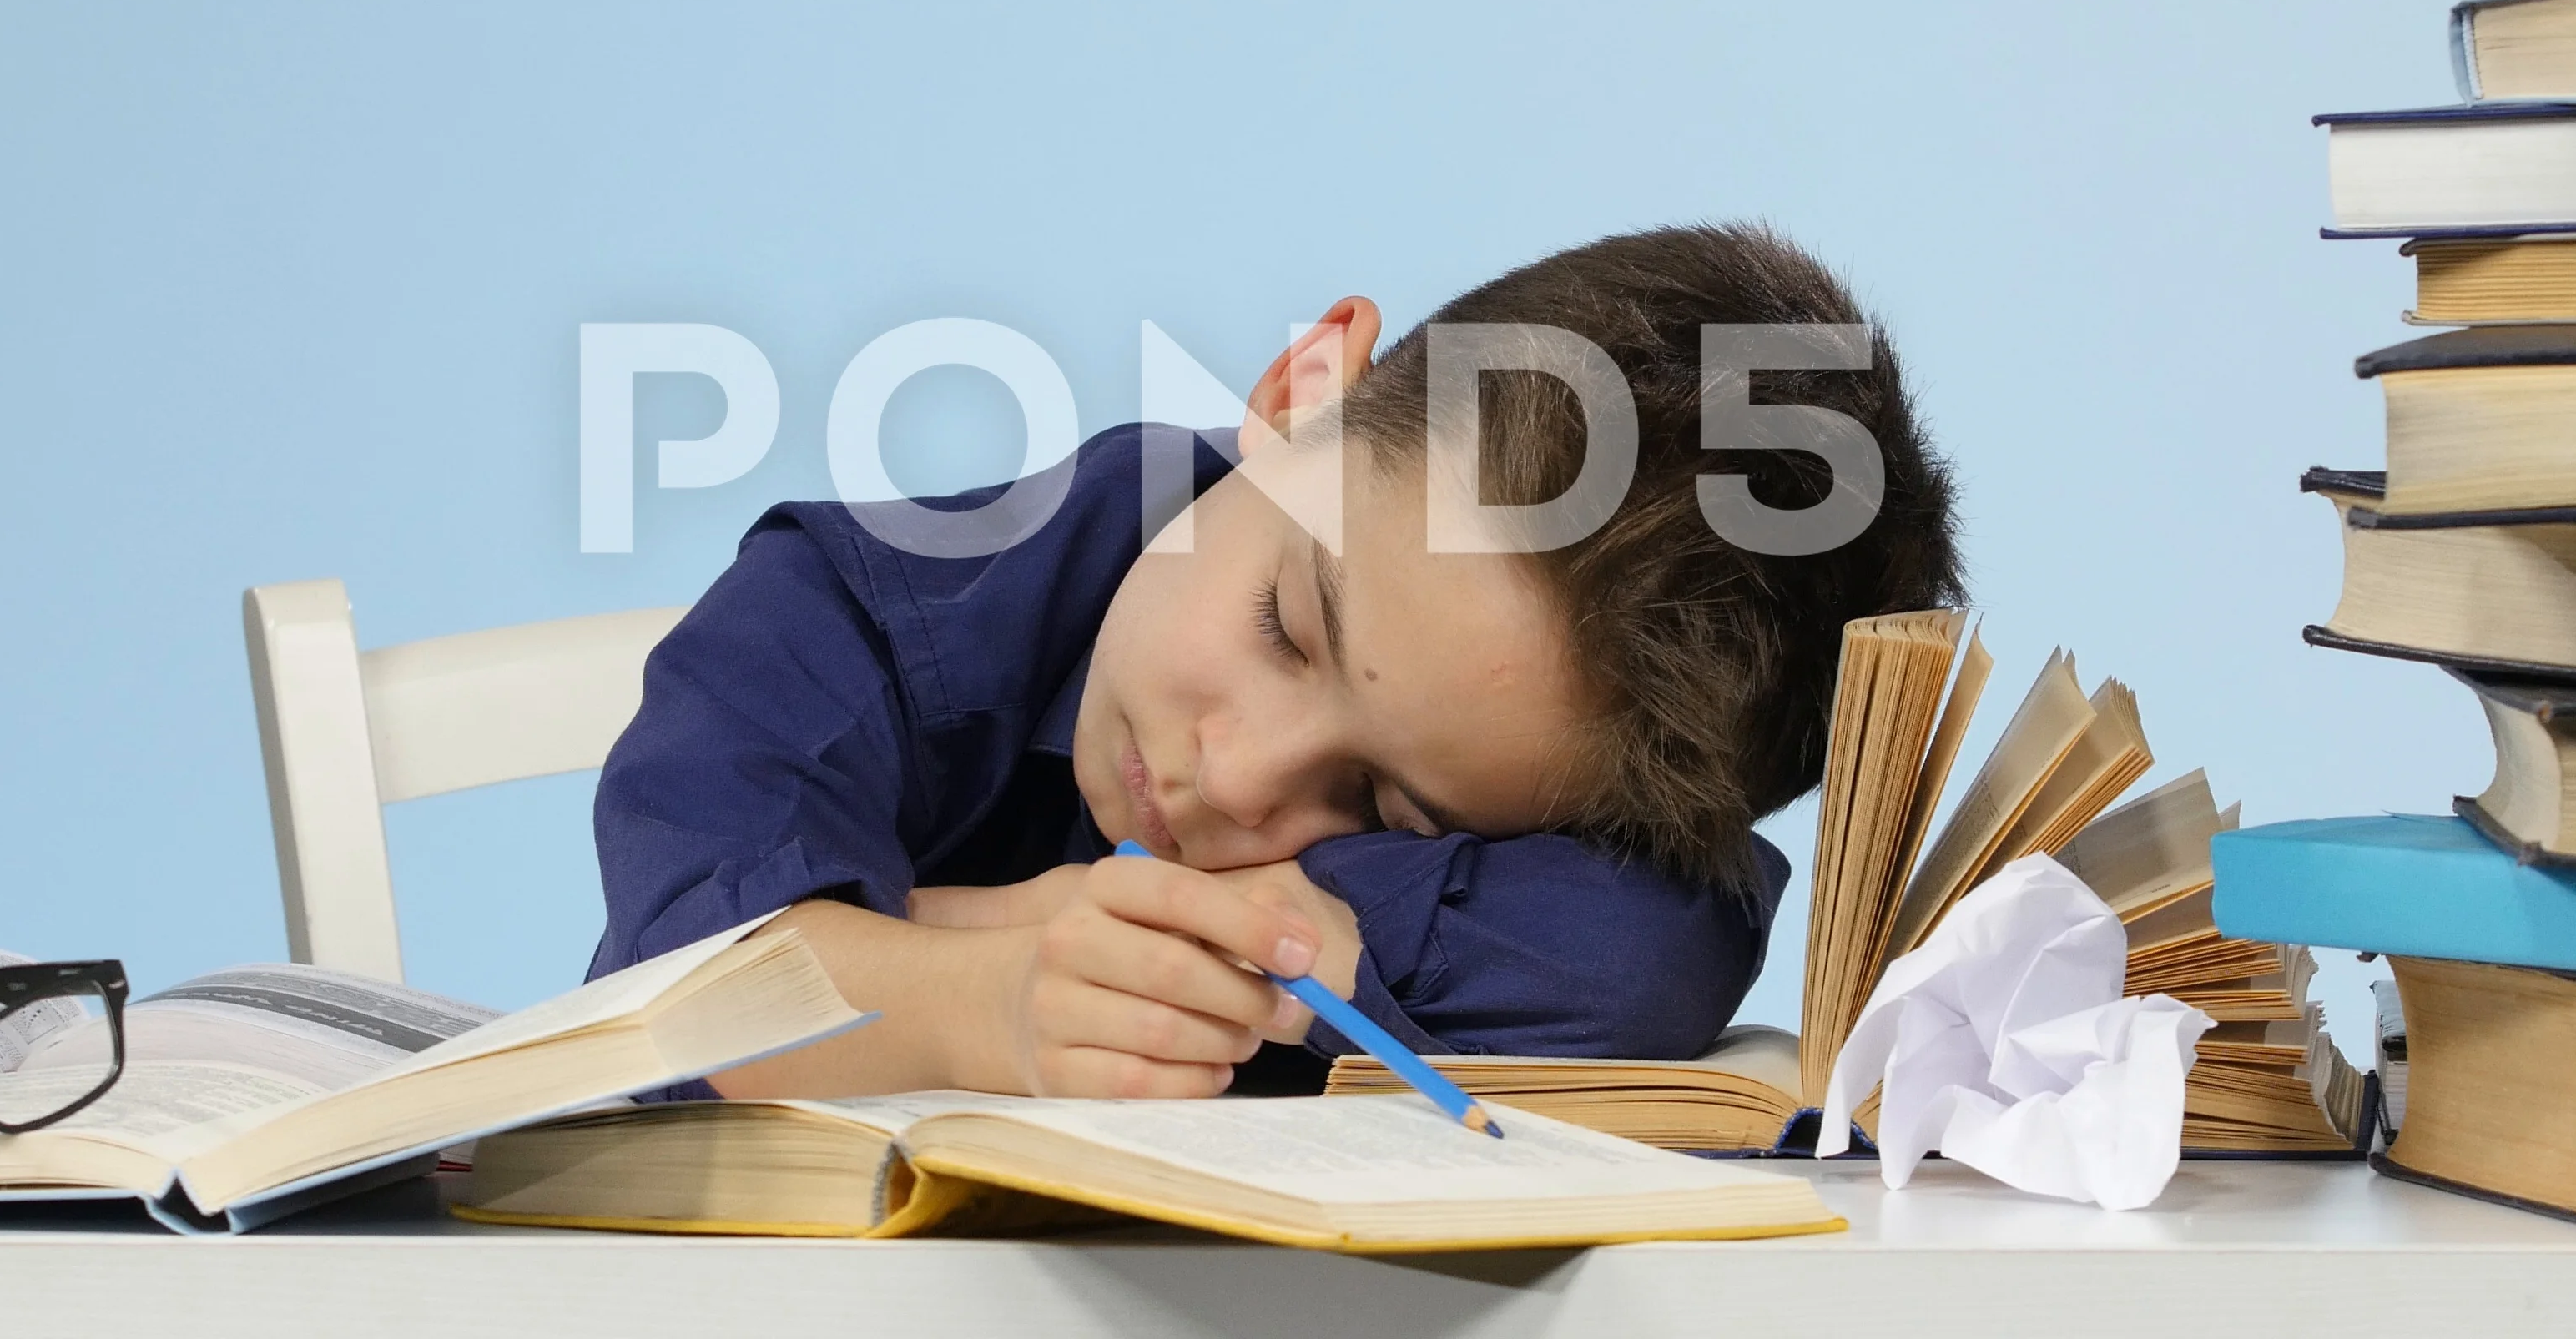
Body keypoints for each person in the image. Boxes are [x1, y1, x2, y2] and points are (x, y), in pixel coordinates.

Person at [588, 223, 1960, 1099]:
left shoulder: (1548, 781)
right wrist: (990, 998)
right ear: (1303, 394)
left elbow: (1649, 949)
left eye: (1383, 812)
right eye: (1287, 626)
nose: (1234, 790)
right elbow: (674, 997)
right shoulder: (846, 612)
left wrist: (940, 925)